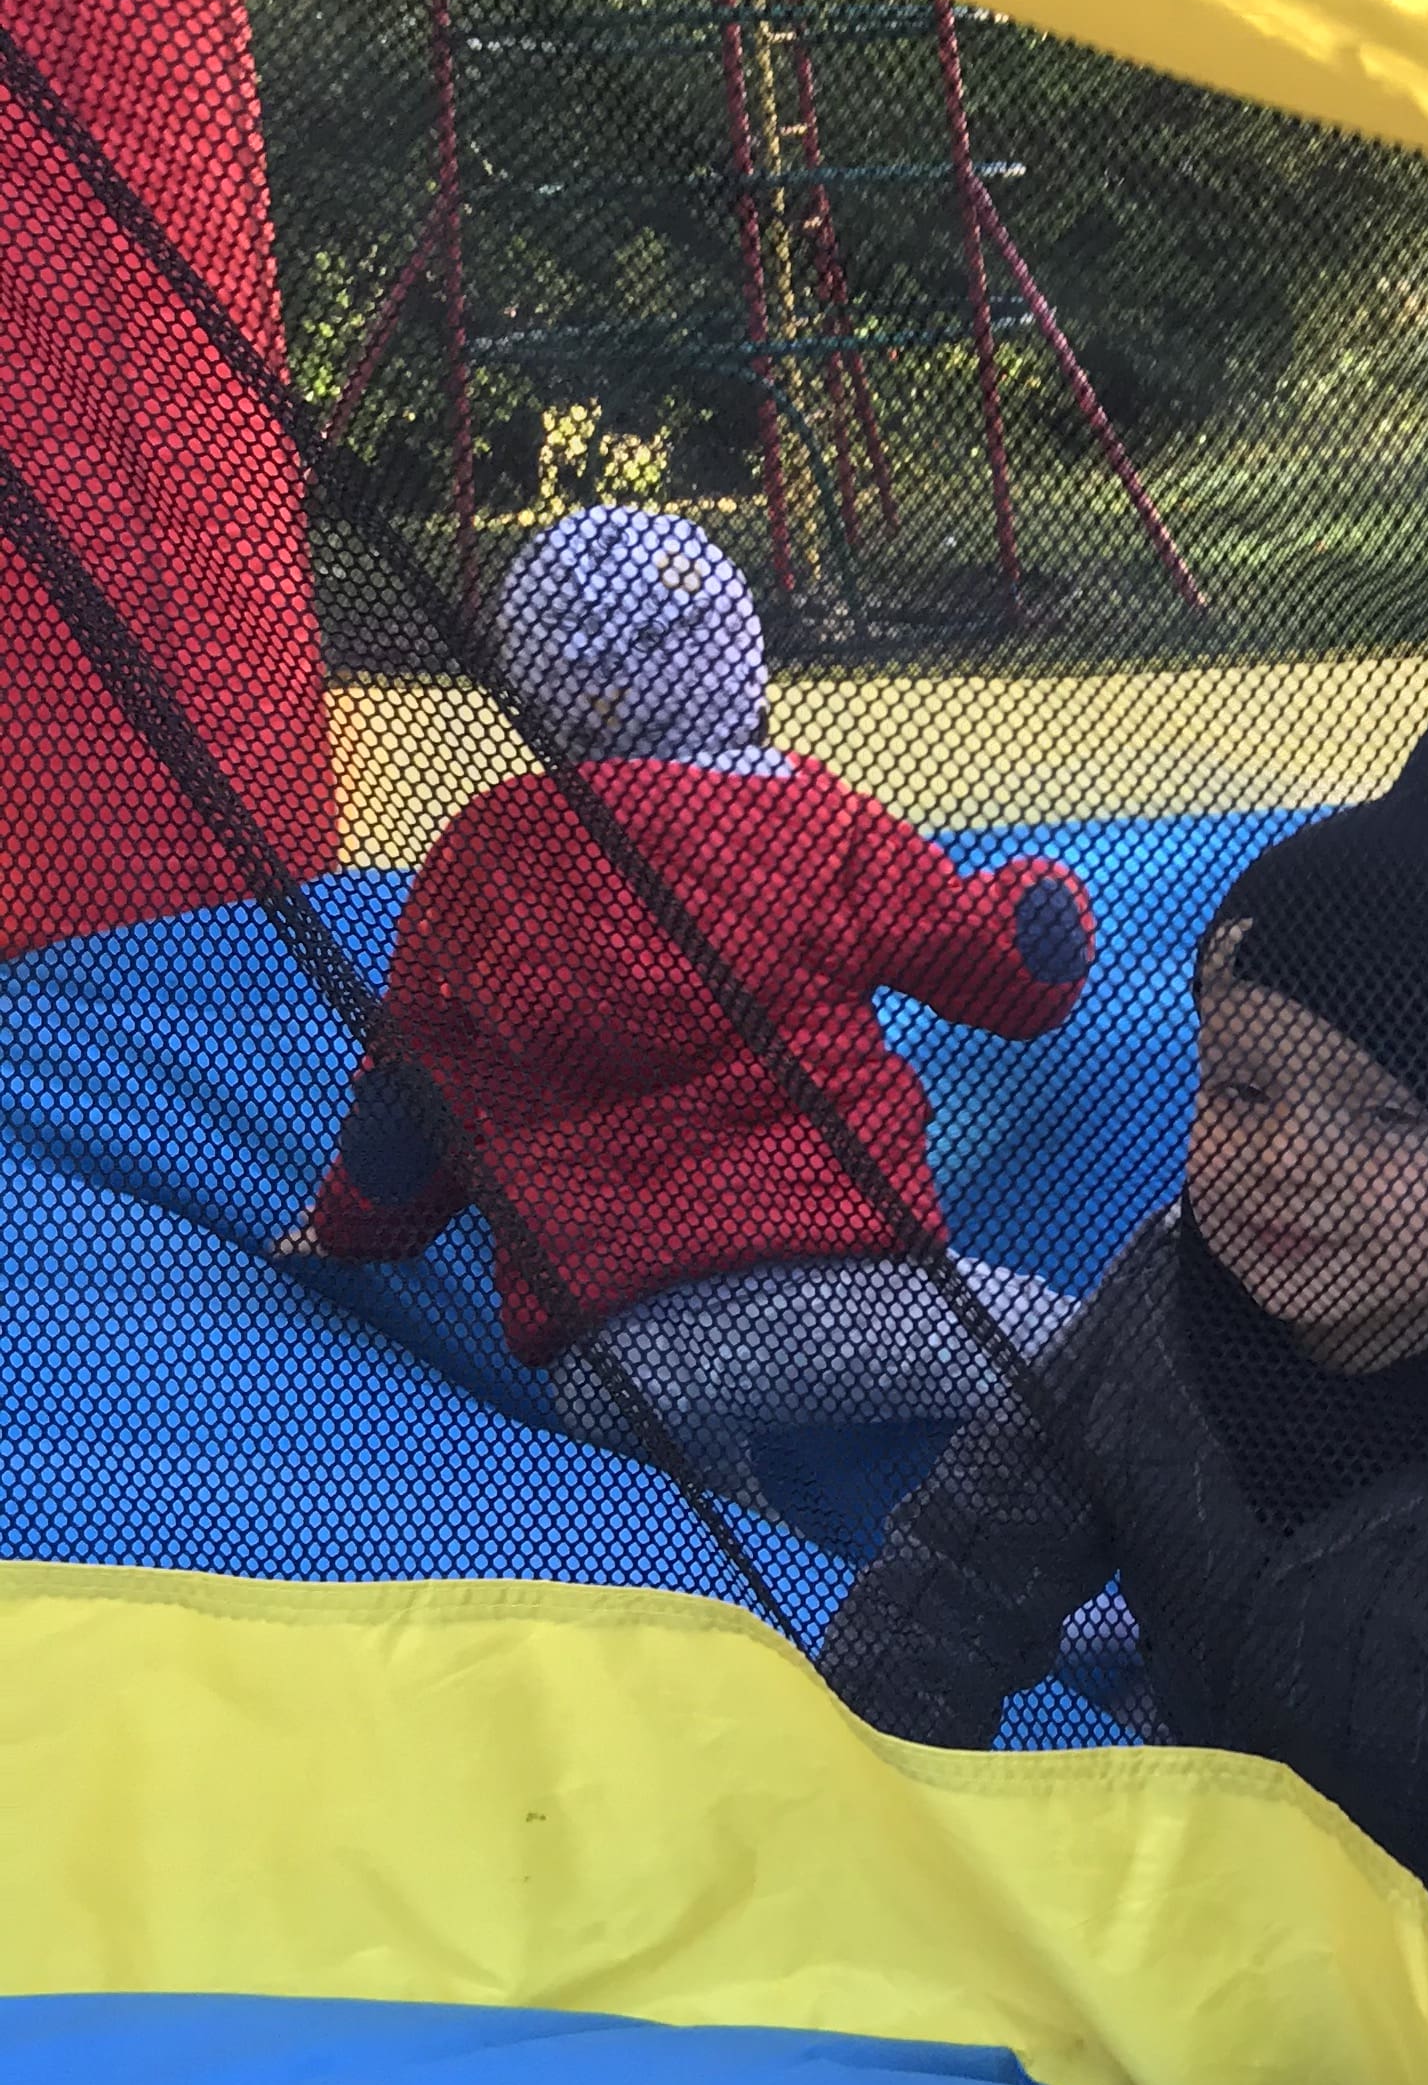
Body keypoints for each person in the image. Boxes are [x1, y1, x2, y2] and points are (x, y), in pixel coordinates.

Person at [821, 681, 1428, 1993]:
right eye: (1241, 1089)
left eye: (1389, 1118)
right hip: (1255, 1855)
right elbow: (956, 1581)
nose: (1286, 1161)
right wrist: (848, 1837)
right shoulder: (1168, 1297)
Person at [289, 504, 1093, 1504]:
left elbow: (413, 1102)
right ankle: (1123, 1578)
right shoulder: (811, 821)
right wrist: (1036, 913)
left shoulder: (482, 855)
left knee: (735, 1530)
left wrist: (349, 1229)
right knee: (1092, 1360)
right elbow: (998, 972)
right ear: (739, 659)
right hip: (844, 1301)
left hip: (611, 1358)